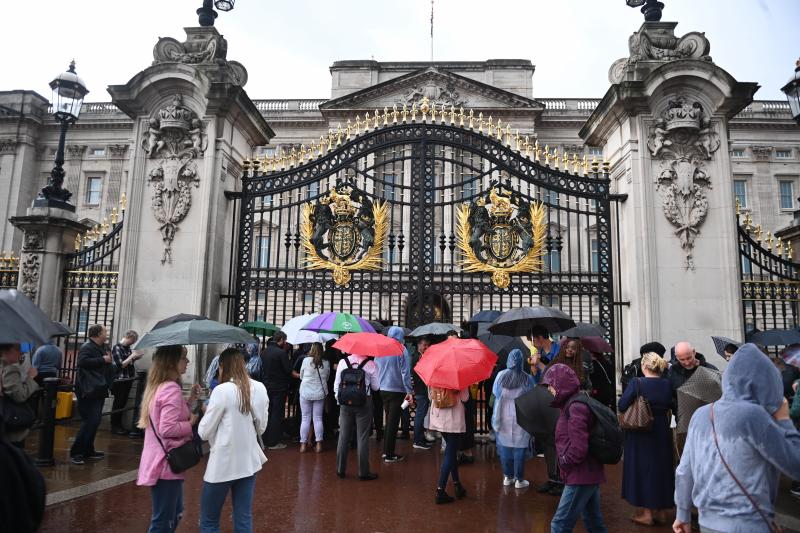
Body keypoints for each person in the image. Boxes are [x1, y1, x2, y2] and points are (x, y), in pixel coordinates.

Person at [674, 343, 800, 533]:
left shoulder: (701, 415)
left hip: (708, 522)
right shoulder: (755, 416)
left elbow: (684, 471)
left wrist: (682, 513)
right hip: (749, 523)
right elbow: (795, 464)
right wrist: (784, 421)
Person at [198, 348, 269, 533]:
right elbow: (261, 428)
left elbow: (204, 432)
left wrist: (206, 413)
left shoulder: (222, 390)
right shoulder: (260, 388)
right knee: (243, 518)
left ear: (222, 366)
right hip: (248, 462)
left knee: (209, 520)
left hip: (222, 462)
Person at [136, 345, 199, 533]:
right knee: (163, 521)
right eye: (183, 358)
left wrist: (190, 399)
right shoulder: (171, 388)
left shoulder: (161, 386)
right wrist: (192, 422)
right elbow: (167, 428)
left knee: (174, 513)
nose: (187, 362)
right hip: (166, 464)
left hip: (161, 461)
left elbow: (172, 414)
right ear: (172, 362)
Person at [543, 364, 608, 533]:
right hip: (588, 472)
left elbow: (579, 447)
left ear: (560, 385)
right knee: (593, 522)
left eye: (551, 385)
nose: (549, 390)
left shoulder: (575, 407)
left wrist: (564, 461)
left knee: (559, 524)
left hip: (580, 474)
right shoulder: (574, 403)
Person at [617, 352, 674, 526]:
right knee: (662, 469)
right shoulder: (666, 384)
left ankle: (647, 514)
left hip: (641, 431)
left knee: (643, 470)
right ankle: (662, 511)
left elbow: (622, 405)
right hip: (661, 430)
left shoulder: (637, 382)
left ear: (644, 366)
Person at [492, 348, 536, 488]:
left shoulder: (500, 376)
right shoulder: (527, 378)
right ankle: (519, 479)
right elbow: (532, 398)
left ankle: (507, 476)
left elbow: (495, 393)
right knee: (520, 449)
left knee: (505, 448)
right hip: (521, 418)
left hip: (503, 416)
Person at [333, 348, 380, 480]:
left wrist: (340, 399)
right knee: (362, 437)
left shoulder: (343, 362)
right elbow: (376, 387)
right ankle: (363, 472)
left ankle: (340, 469)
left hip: (345, 404)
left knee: (343, 435)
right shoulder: (371, 364)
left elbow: (337, 385)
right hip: (364, 402)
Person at [70, 324, 113, 465]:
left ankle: (88, 450)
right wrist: (103, 360)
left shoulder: (102, 347)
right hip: (88, 390)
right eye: (104, 331)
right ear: (97, 334)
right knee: (89, 421)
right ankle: (77, 452)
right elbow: (82, 362)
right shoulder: (87, 347)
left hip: (98, 389)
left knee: (94, 421)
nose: (106, 333)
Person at [668, 341, 718, 454]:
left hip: (708, 424)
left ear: (694, 352)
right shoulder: (672, 372)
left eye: (689, 358)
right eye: (682, 359)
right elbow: (669, 396)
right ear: (676, 357)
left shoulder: (710, 369)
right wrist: (679, 407)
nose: (686, 362)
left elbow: (718, 395)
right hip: (684, 424)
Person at [375, 326, 414, 463]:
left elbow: (376, 367)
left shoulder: (380, 349)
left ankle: (386, 451)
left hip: (383, 388)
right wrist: (409, 390)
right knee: (393, 422)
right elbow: (405, 372)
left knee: (389, 420)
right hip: (397, 390)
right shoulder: (401, 349)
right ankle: (389, 453)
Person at [429, 386, 469, 504]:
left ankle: (457, 484)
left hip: (438, 416)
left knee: (451, 451)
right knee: (450, 452)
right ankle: (440, 490)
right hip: (454, 417)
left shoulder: (435, 376)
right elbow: (465, 398)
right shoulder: (460, 377)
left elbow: (431, 395)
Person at [0, 343, 39, 447]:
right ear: (6, 351)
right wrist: (30, 377)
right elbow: (19, 396)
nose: (22, 352)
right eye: (17, 349)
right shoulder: (9, 369)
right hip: (10, 425)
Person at [260, 331, 292, 449]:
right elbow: (288, 370)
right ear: (282, 340)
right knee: (276, 414)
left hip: (266, 386)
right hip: (279, 387)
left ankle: (264, 438)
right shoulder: (281, 353)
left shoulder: (264, 352)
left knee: (267, 412)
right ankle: (273, 441)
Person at [298, 342, 330, 453]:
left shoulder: (306, 361)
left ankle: (303, 444)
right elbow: (327, 377)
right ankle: (319, 444)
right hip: (319, 393)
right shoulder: (326, 362)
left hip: (305, 392)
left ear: (312, 349)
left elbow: (301, 376)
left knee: (305, 418)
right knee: (318, 419)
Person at [110, 330, 142, 435]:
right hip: (120, 381)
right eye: (133, 340)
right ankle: (115, 426)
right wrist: (131, 357)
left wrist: (135, 358)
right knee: (118, 403)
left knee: (122, 404)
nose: (133, 342)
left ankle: (119, 426)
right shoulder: (117, 348)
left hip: (127, 379)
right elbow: (120, 365)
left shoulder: (127, 348)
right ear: (129, 337)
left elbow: (128, 363)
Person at [411, 337, 433, 450]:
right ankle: (417, 440)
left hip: (422, 390)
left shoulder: (421, 357)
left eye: (427, 345)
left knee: (422, 415)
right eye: (424, 345)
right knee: (420, 415)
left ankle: (421, 437)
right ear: (419, 345)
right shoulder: (417, 357)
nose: (426, 347)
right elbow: (418, 375)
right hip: (421, 390)